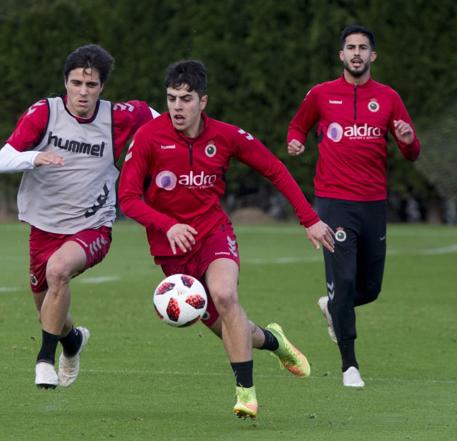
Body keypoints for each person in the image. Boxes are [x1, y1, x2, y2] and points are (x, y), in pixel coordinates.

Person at [118, 60, 335, 419]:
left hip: (213, 233)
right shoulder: (148, 138)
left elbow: (274, 170)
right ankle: (275, 341)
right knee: (234, 332)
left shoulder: (226, 136)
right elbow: (127, 198)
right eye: (171, 98)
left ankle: (246, 394)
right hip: (171, 252)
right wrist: (166, 225)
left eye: (185, 99)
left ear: (203, 101)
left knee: (224, 294)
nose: (176, 106)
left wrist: (309, 219)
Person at [0, 44, 156, 389]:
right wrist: (34, 157)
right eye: (77, 83)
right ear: (65, 82)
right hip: (44, 227)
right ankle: (72, 341)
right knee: (47, 308)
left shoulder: (121, 115)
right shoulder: (44, 112)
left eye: (92, 85)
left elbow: (169, 121)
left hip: (93, 225)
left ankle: (43, 362)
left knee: (59, 270)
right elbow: (1, 160)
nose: (83, 91)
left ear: (102, 87)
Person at [286, 25, 421, 388]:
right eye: (351, 47)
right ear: (341, 55)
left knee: (369, 289)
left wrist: (408, 141)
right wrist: (296, 142)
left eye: (363, 47)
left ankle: (333, 307)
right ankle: (350, 366)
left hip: (374, 204)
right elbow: (297, 127)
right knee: (343, 281)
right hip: (333, 203)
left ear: (372, 56)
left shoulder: (389, 97)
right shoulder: (321, 94)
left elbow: (411, 151)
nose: (357, 53)